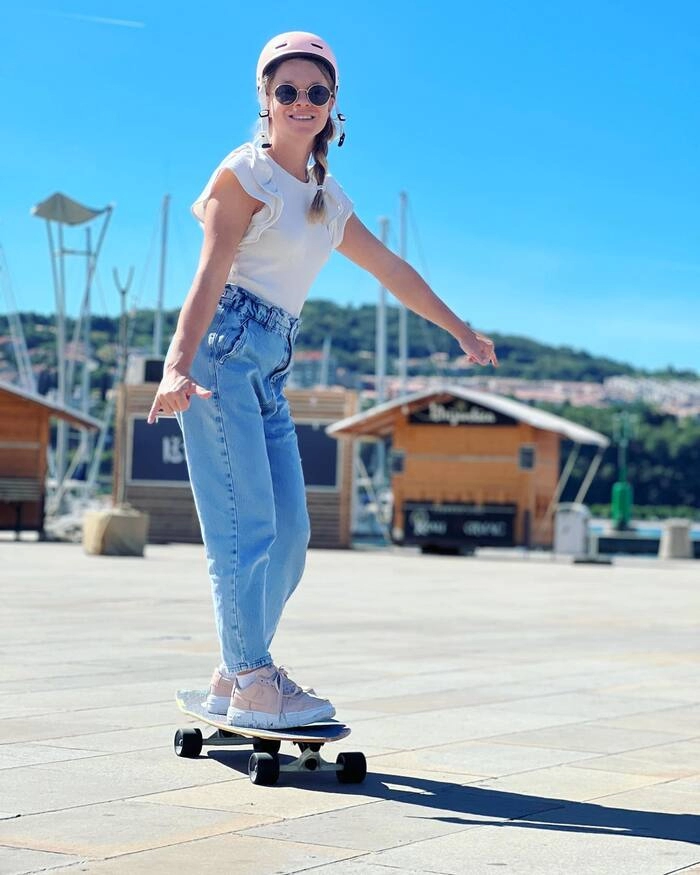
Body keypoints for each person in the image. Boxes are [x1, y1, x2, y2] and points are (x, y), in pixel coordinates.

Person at [148, 31, 498, 730]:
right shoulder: (243, 176)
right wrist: (176, 364)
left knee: (291, 535)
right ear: (265, 98)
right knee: (245, 525)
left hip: (270, 364)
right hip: (222, 354)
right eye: (287, 90)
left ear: (334, 103)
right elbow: (209, 274)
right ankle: (254, 678)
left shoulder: (325, 197)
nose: (302, 102)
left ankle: (234, 669)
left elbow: (392, 270)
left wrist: (459, 328)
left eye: (317, 91)